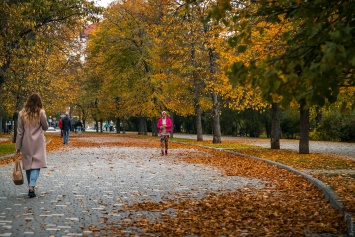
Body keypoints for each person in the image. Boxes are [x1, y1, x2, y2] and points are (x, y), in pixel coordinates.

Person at [15, 93, 49, 198]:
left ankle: (31, 186)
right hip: (38, 142)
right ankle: (31, 186)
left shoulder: (22, 114)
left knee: (29, 165)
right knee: (36, 165)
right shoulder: (41, 113)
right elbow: (45, 127)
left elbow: (19, 132)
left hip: (26, 142)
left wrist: (18, 147)